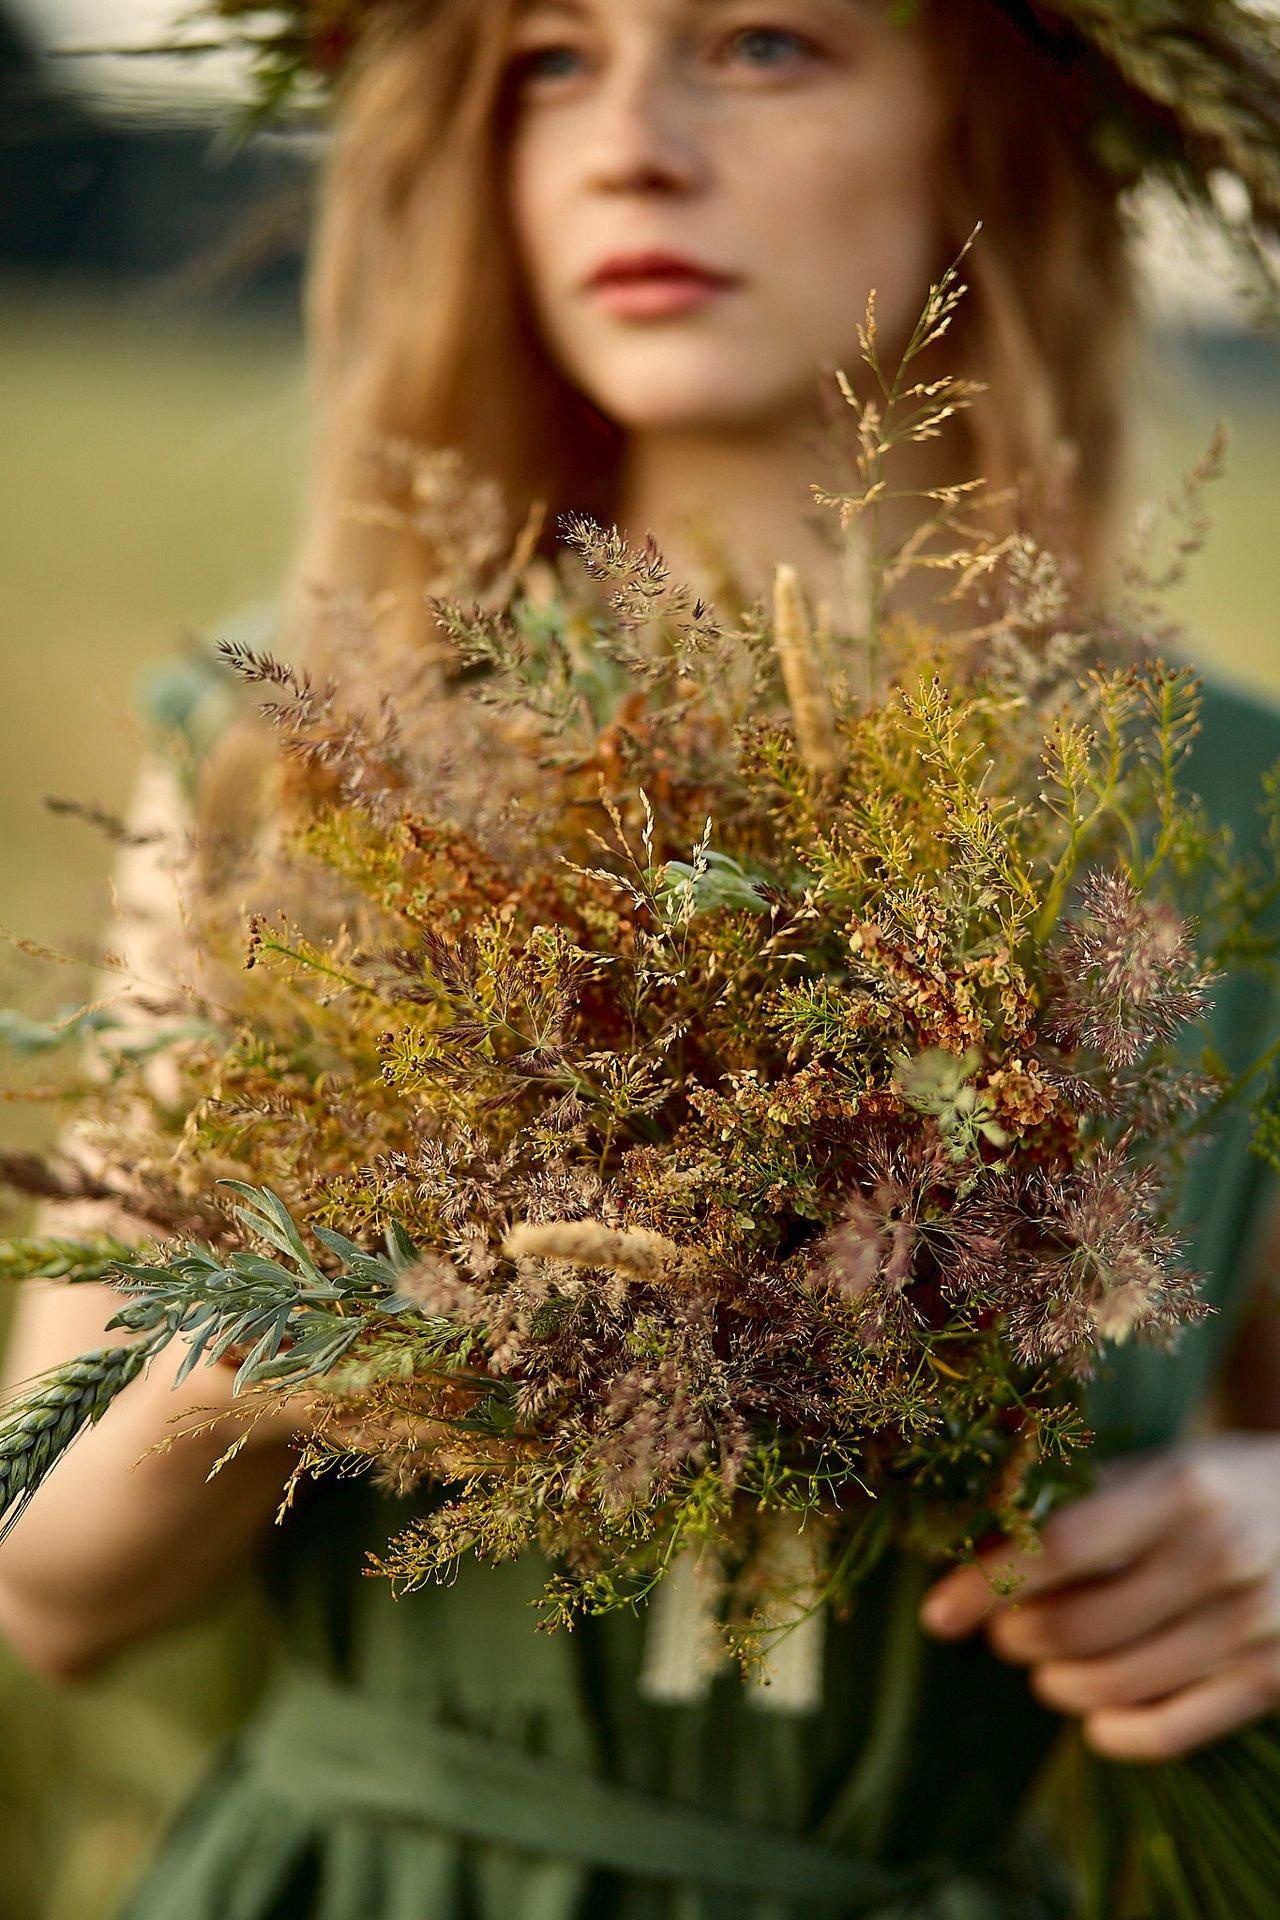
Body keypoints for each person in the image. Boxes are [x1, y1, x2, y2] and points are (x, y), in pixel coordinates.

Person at [2, 1, 1280, 1914]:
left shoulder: (1227, 816)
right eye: (549, 62)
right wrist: (340, 1314)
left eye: (762, 44)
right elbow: (54, 1592)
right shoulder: (308, 753)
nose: (631, 145)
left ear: (992, 122)